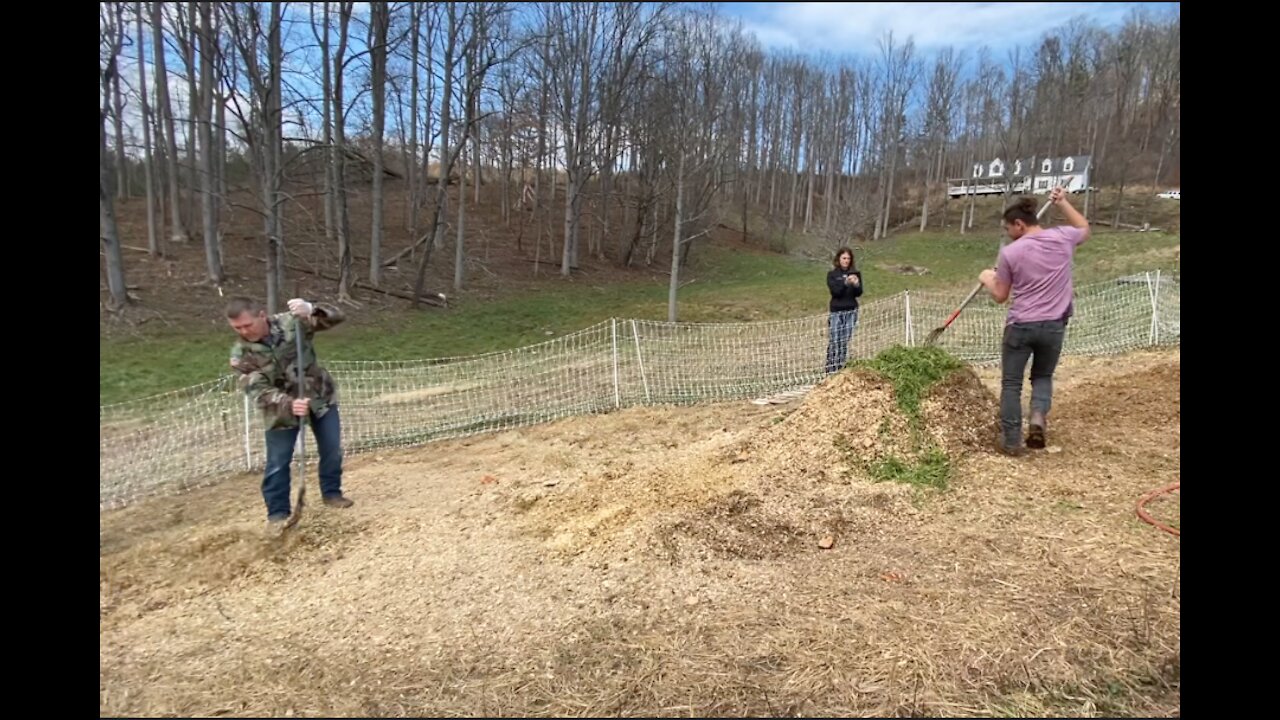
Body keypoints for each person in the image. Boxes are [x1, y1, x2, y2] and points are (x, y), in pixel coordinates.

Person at [226, 296, 354, 529]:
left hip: (319, 396)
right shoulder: (240, 354)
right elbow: (257, 389)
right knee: (278, 461)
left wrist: (313, 309)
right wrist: (288, 402)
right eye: (237, 328)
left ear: (262, 315)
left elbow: (338, 317)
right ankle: (277, 513)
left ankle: (332, 493)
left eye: (248, 324)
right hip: (279, 411)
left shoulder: (292, 322)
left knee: (332, 448)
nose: (244, 331)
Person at [979, 186, 1089, 455]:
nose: (1008, 233)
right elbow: (1084, 228)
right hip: (1054, 325)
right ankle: (1038, 417)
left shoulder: (1011, 253)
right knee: (1042, 376)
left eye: (1008, 228)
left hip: (1021, 326)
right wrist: (1063, 203)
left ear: (1019, 224)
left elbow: (1001, 295)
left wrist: (986, 278)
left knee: (1011, 383)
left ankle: (1012, 440)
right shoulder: (1062, 237)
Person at [825, 247, 864, 374]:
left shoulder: (856, 273)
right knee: (835, 340)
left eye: (848, 258)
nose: (846, 261)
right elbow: (835, 292)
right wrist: (845, 283)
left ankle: (840, 367)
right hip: (836, 311)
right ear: (838, 259)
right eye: (844, 258)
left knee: (844, 341)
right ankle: (831, 367)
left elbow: (859, 293)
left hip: (851, 311)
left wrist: (857, 284)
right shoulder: (832, 275)